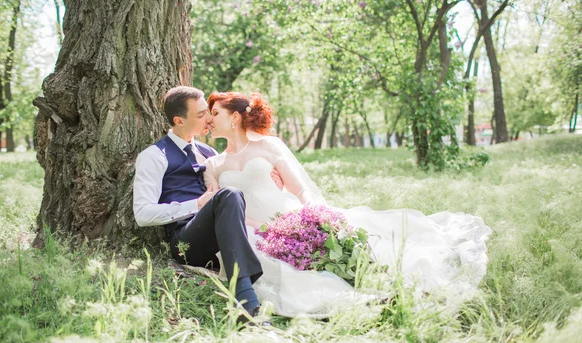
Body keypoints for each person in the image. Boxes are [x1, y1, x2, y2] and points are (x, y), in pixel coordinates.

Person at [203, 91, 493, 317]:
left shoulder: (268, 146)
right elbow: (219, 209)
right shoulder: (213, 164)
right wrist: (259, 226)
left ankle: (386, 281)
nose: (209, 120)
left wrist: (314, 215)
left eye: (215, 113)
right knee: (297, 273)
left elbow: (300, 187)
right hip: (255, 232)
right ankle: (369, 294)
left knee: (347, 251)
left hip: (292, 219)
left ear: (235, 117)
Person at [133, 86, 265, 320]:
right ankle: (246, 302)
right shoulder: (154, 156)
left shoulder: (208, 152)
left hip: (221, 232)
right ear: (179, 120)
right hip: (185, 241)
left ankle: (247, 297)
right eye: (201, 114)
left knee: (231, 194)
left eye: (208, 112)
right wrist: (196, 205)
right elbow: (142, 214)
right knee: (229, 194)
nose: (209, 119)